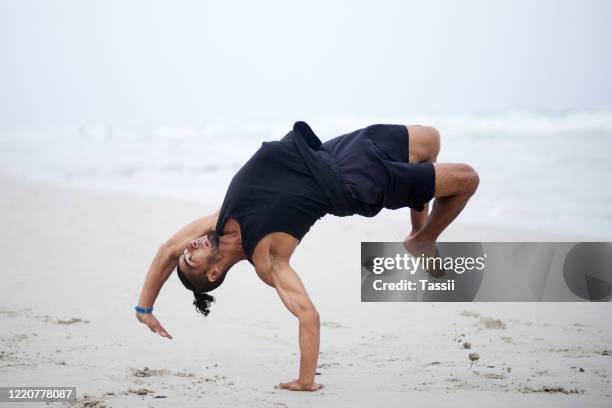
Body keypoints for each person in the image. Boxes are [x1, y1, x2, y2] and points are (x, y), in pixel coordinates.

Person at [135, 121, 479, 391]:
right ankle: (425, 237)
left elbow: (168, 250)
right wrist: (305, 381)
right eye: (191, 259)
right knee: (466, 179)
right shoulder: (266, 260)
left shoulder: (220, 218)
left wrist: (145, 308)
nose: (190, 247)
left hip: (336, 149)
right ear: (213, 274)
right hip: (355, 180)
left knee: (430, 140)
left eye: (188, 250)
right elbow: (308, 316)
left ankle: (418, 232)